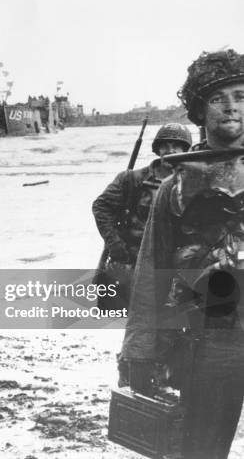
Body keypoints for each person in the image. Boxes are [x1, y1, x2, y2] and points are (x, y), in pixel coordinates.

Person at [122, 49, 244, 459]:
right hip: (210, 340)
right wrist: (139, 349)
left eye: (241, 95)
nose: (230, 106)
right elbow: (151, 269)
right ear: (198, 110)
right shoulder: (176, 185)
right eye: (217, 98)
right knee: (201, 450)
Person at [93, 124, 191, 386]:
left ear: (186, 150)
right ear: (157, 149)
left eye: (177, 146)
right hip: (136, 259)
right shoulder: (132, 180)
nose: (170, 150)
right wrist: (115, 245)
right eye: (165, 145)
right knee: (140, 321)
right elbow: (101, 207)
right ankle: (130, 374)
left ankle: (161, 374)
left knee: (171, 319)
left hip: (173, 262)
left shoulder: (190, 182)